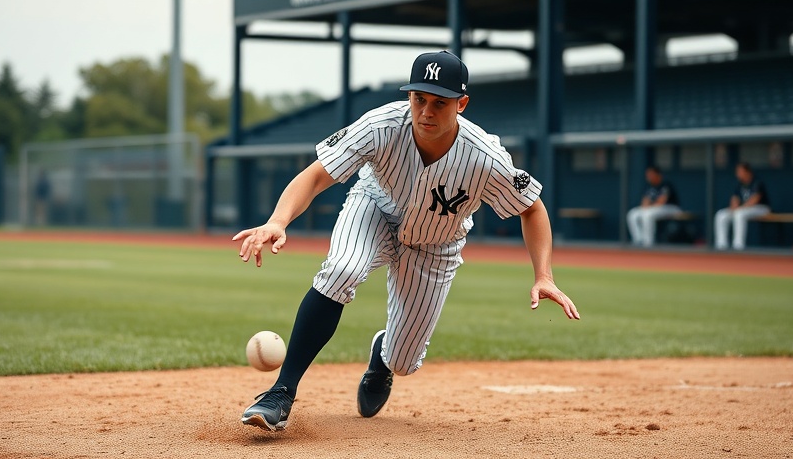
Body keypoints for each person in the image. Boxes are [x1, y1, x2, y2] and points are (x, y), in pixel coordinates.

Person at [232, 50, 580, 432]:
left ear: (461, 104)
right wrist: (278, 221)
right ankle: (281, 392)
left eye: (440, 102)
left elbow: (532, 208)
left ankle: (383, 357)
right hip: (375, 209)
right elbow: (317, 175)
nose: (426, 111)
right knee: (341, 270)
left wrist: (543, 274)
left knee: (403, 361)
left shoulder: (485, 157)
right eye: (419, 98)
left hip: (436, 244)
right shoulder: (381, 125)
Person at [714, 162, 770, 250]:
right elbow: (734, 199)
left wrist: (738, 208)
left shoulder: (757, 182)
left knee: (739, 214)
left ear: (747, 172)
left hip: (762, 208)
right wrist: (733, 207)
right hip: (744, 209)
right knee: (721, 215)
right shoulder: (740, 184)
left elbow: (754, 200)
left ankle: (738, 246)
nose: (738, 174)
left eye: (740, 171)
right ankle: (721, 245)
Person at [626, 166, 682, 247]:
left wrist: (649, 205)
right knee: (632, 214)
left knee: (648, 214)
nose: (649, 177)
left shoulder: (666, 185)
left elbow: (661, 202)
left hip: (671, 208)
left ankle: (648, 243)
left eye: (651, 174)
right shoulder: (650, 187)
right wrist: (647, 205)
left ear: (658, 175)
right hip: (654, 209)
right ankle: (638, 240)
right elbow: (644, 202)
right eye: (648, 175)